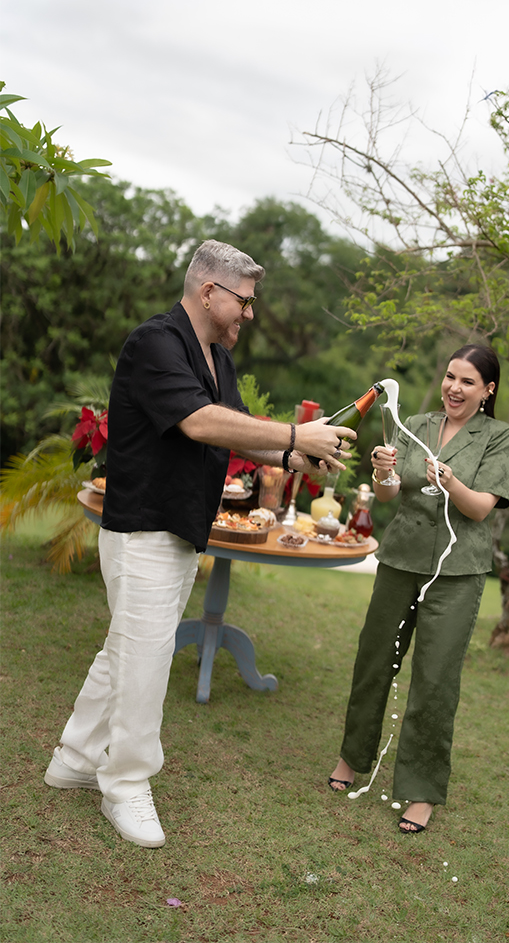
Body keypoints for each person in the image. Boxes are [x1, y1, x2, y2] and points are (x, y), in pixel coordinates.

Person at [44, 240, 355, 848]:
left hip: (180, 528)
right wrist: (296, 433)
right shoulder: (155, 342)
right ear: (209, 292)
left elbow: (235, 432)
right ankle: (126, 783)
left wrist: (294, 457)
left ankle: (75, 758)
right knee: (146, 656)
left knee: (127, 647)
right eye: (244, 300)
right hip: (144, 530)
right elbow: (199, 421)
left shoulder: (217, 358)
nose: (250, 313)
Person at [328, 344, 509, 833]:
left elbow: (480, 508)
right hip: (400, 559)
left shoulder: (500, 437)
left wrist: (450, 482)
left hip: (457, 574)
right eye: (451, 376)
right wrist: (382, 471)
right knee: (374, 659)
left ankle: (421, 791)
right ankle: (352, 757)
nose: (454, 387)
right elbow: (390, 493)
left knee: (435, 679)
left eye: (468, 381)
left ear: (488, 390)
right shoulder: (415, 423)